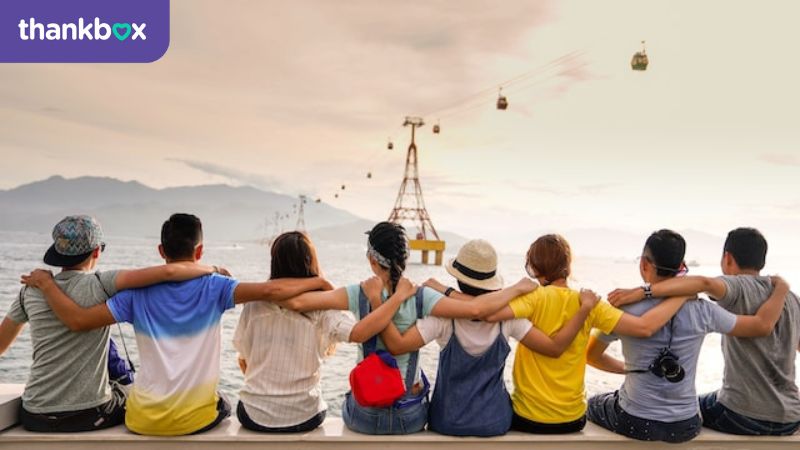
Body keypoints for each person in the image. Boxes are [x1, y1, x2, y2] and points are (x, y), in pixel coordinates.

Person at [21, 213, 331, 436]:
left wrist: (48, 286)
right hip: (195, 421)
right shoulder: (217, 287)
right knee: (224, 399)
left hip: (141, 421)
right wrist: (321, 281)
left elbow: (79, 320)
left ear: (160, 251)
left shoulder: (135, 295)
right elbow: (272, 291)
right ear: (199, 251)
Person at [274, 222, 534, 435]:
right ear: (406, 259)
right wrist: (517, 289)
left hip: (365, 415)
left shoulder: (358, 292)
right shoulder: (422, 297)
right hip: (409, 416)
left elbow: (295, 302)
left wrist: (320, 281)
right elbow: (477, 310)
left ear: (371, 260)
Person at [0, 215, 217, 432]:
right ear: (97, 251)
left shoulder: (30, 291)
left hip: (34, 414)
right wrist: (212, 270)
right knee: (131, 392)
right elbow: (169, 272)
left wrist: (46, 283)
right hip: (87, 414)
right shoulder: (101, 285)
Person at [365, 238, 600, 437]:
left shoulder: (443, 318)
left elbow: (396, 345)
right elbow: (553, 348)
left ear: (457, 279)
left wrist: (378, 302)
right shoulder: (509, 318)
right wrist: (583, 310)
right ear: (491, 282)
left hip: (447, 421)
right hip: (495, 422)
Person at [587, 230, 790, 443]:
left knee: (594, 404)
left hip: (636, 421)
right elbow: (759, 326)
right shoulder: (703, 310)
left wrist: (629, 369)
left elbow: (591, 355)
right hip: (686, 424)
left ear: (644, 264)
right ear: (681, 267)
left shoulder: (623, 308)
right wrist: (781, 289)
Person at [481, 234, 693, 434]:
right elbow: (643, 327)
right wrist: (681, 294)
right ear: (568, 266)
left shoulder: (533, 298)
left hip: (528, 417)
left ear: (534, 267)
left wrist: (515, 289)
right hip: (573, 420)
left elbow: (487, 312)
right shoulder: (590, 303)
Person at [233, 231, 419, 433]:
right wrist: (396, 298)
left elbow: (244, 361)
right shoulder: (322, 308)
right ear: (311, 263)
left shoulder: (253, 305)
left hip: (254, 415)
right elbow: (358, 333)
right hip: (304, 415)